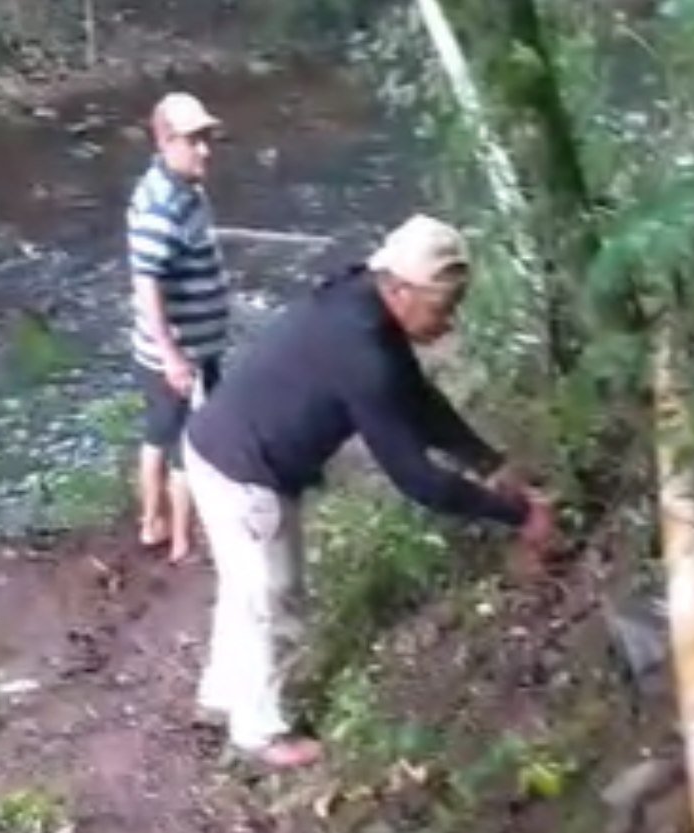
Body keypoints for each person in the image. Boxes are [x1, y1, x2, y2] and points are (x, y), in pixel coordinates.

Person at [182, 213, 557, 769]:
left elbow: (417, 399)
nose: (449, 324)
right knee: (275, 598)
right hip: (245, 471)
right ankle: (258, 732)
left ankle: (219, 697)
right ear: (402, 290)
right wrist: (516, 514)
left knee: (246, 588)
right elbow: (418, 480)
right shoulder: (362, 350)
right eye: (443, 308)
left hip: (212, 443)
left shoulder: (361, 300)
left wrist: (490, 462)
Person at [125, 91, 230, 563]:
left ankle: (153, 523)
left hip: (187, 349)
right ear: (166, 141)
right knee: (191, 443)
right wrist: (172, 356)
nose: (205, 148)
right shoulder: (161, 207)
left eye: (207, 137)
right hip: (180, 354)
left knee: (158, 435)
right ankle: (181, 540)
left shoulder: (184, 189)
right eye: (194, 140)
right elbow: (147, 285)